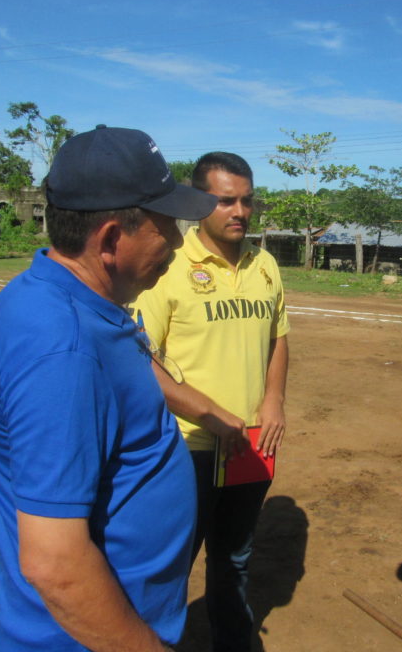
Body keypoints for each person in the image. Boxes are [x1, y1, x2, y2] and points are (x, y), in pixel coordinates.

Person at [0, 125, 217, 651]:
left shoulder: (68, 302)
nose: (178, 242)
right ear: (109, 239)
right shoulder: (63, 349)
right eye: (166, 225)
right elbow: (55, 563)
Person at [136, 151, 290, 652]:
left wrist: (273, 402)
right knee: (173, 563)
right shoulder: (168, 264)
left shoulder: (264, 264)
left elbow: (278, 338)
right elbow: (142, 361)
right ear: (200, 202)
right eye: (226, 201)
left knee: (235, 556)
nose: (239, 211)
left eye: (246, 200)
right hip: (188, 447)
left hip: (250, 444)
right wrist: (211, 416)